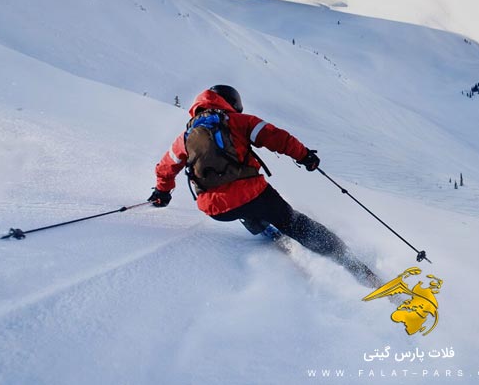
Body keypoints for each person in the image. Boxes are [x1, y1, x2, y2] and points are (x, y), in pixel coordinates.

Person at [149, 85, 378, 286]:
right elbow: (276, 137)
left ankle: (264, 230)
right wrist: (305, 156)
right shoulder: (239, 121)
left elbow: (166, 166)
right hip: (254, 195)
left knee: (241, 209)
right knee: (293, 221)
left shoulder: (186, 136)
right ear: (232, 103)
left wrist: (162, 192)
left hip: (216, 210)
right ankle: (350, 261)